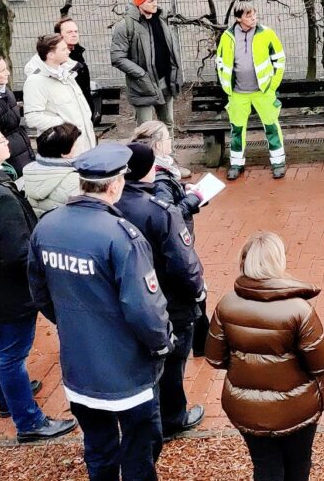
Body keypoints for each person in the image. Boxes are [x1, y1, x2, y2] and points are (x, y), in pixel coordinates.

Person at [28, 142, 173, 480]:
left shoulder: (46, 227)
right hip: (128, 372)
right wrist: (162, 343)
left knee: (99, 448)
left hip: (79, 368)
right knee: (140, 451)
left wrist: (72, 323)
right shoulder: (122, 236)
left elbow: (40, 292)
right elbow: (144, 309)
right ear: (115, 185)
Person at [0, 121, 77, 442]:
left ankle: (7, 398)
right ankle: (29, 421)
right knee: (12, 353)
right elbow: (17, 254)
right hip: (9, 290)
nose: (6, 141)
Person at [207, 231, 324, 481]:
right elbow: (323, 363)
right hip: (297, 407)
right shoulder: (299, 310)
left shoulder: (226, 305)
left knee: (264, 465)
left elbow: (215, 358)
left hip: (247, 407)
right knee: (299, 464)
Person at [113, 143, 207, 438]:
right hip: (169, 299)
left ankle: (147, 418)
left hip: (129, 297)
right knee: (174, 358)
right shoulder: (159, 211)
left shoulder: (112, 204)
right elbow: (182, 262)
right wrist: (199, 291)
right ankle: (173, 417)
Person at [216, 3, 287, 181]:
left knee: (271, 126)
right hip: (238, 93)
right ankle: (236, 164)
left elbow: (279, 59)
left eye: (254, 14)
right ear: (239, 18)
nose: (253, 18)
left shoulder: (267, 33)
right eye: (249, 16)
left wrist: (272, 85)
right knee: (237, 129)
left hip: (263, 91)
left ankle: (278, 162)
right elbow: (220, 61)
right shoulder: (227, 36)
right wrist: (227, 88)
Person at [111, 0, 183, 133]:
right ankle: (148, 157)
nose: (155, 4)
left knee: (168, 124)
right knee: (146, 131)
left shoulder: (162, 20)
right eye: (151, 1)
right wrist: (141, 74)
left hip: (165, 82)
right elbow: (117, 57)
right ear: (139, 3)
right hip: (142, 87)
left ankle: (169, 156)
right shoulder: (125, 27)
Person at [23, 33, 98, 151]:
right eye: (63, 49)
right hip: (63, 148)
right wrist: (65, 125)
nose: (68, 52)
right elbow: (32, 118)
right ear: (51, 55)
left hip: (84, 144)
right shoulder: (35, 81)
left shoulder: (67, 73)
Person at [132, 120, 201, 234]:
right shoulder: (158, 177)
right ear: (159, 144)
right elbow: (168, 217)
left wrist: (183, 187)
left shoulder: (142, 165)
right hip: (173, 241)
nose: (170, 141)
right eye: (168, 138)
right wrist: (192, 200)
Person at [20, 123, 83, 217]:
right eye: (75, 145)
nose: (77, 147)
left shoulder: (28, 172)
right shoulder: (75, 181)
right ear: (64, 154)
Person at [55, 16, 101, 126]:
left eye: (76, 31)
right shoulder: (58, 57)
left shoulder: (77, 53)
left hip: (85, 112)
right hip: (70, 117)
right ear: (59, 35)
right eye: (69, 32)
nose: (74, 34)